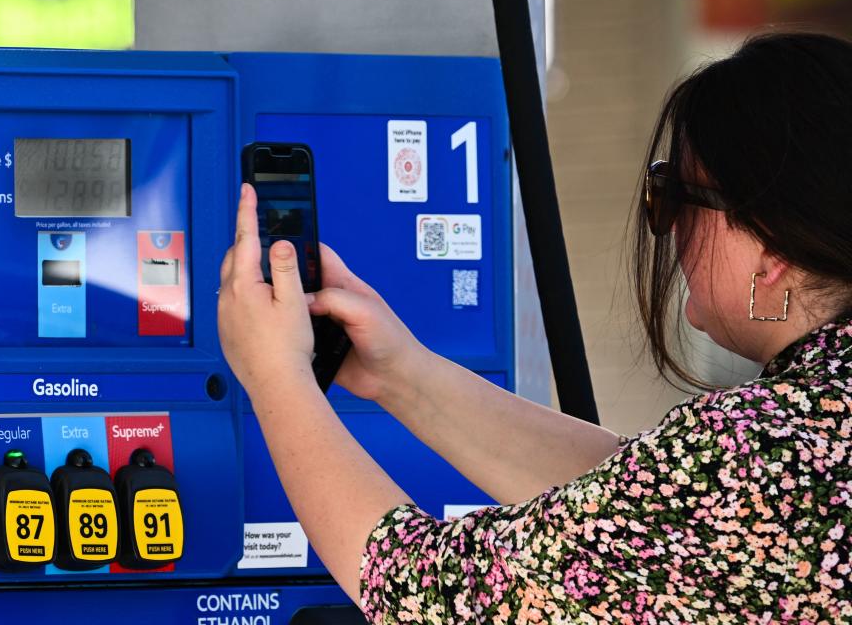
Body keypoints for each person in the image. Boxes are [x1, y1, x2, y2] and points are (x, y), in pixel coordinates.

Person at [217, 32, 852, 623]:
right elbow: (632, 512)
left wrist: (276, 379)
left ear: (771, 252)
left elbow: (426, 588)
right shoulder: (794, 441)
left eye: (676, 198)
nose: (671, 230)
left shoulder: (769, 449)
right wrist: (401, 375)